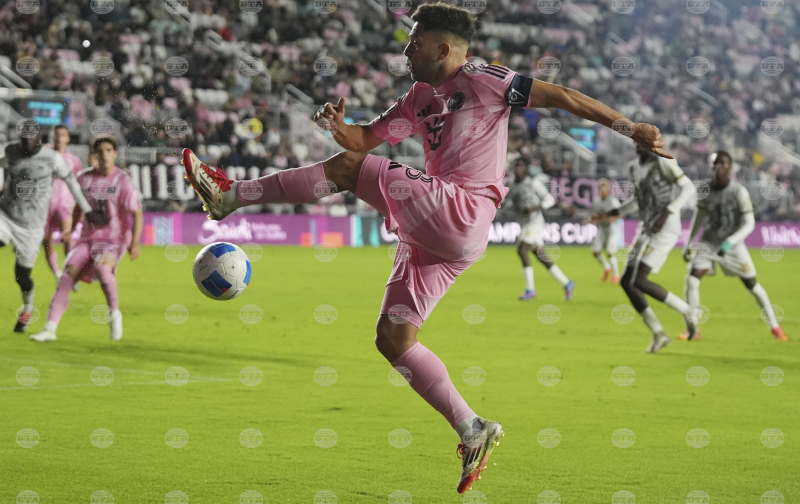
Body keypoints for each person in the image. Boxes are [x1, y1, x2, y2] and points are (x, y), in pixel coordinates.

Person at [181, 2, 671, 493]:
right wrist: (337, 127)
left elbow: (561, 97)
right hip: (439, 233)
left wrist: (631, 128)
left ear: (443, 49)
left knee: (346, 171)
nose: (406, 51)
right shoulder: (418, 98)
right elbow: (362, 141)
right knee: (393, 338)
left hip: (462, 208)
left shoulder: (486, 80)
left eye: (414, 43)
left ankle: (230, 195)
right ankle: (473, 429)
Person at [32, 136, 143, 342]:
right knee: (66, 278)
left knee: (103, 270)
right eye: (100, 151)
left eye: (108, 150)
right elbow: (79, 207)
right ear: (95, 155)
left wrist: (134, 244)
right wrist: (72, 229)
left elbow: (137, 213)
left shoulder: (123, 180)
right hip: (87, 238)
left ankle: (114, 314)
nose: (104, 155)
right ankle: (49, 328)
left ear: (115, 154)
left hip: (114, 240)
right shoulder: (84, 178)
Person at [594, 144, 697, 353]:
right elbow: (638, 201)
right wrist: (611, 213)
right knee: (626, 282)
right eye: (638, 138)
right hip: (647, 226)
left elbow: (689, 188)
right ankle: (659, 333)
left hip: (666, 226)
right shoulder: (633, 167)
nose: (640, 142)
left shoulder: (663, 161)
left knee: (639, 280)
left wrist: (668, 212)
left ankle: (687, 311)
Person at [680, 151, 788, 341]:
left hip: (733, 244)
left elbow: (749, 223)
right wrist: (689, 242)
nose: (718, 167)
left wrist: (730, 242)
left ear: (730, 167)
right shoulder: (704, 189)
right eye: (715, 163)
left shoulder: (739, 192)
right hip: (709, 241)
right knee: (692, 280)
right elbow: (700, 216)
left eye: (723, 163)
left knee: (752, 285)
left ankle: (774, 326)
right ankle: (693, 329)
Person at [0, 129, 95, 332]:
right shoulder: (12, 150)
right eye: (23, 139)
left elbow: (72, 181)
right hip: (6, 215)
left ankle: (28, 309)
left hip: (33, 225)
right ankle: (61, 274)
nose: (26, 142)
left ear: (39, 139)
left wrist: (87, 209)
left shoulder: (53, 158)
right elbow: (3, 162)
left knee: (22, 276)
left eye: (30, 139)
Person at [508, 157, 575, 300]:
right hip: (523, 223)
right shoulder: (511, 185)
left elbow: (550, 200)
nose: (519, 169)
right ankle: (567, 283)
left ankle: (530, 290)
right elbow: (507, 201)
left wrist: (535, 208)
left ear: (526, 168)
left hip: (535, 222)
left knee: (522, 249)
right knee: (541, 256)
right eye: (517, 166)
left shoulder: (533, 183)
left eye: (522, 166)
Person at [42, 124, 83, 282]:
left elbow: (78, 184)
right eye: (57, 134)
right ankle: (57, 274)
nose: (59, 137)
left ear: (68, 138)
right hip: (45, 206)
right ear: (53, 137)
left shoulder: (74, 161)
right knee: (47, 242)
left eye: (62, 135)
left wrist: (79, 206)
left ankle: (70, 274)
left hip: (65, 206)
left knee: (68, 239)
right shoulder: (44, 156)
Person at [585, 179, 621, 283]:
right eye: (601, 187)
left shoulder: (613, 201)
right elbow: (596, 215)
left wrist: (613, 219)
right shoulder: (597, 201)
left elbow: (621, 213)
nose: (603, 189)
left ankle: (616, 275)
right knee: (595, 252)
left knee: (610, 251)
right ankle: (607, 267)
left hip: (612, 228)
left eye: (605, 187)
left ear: (608, 188)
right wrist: (591, 220)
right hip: (601, 228)